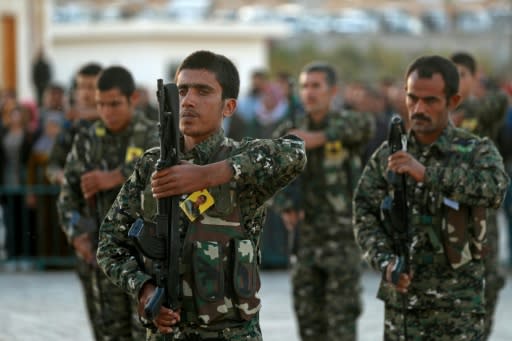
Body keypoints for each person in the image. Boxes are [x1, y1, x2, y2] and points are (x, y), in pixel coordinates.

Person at [96, 50, 306, 341]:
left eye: (203, 91)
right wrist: (144, 289)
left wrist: (209, 174)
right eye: (182, 91)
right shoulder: (152, 165)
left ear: (229, 106)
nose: (188, 100)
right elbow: (109, 244)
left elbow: (295, 152)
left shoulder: (240, 160)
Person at [353, 55, 510, 340]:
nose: (419, 109)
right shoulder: (388, 155)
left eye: (431, 101)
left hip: (457, 311)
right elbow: (364, 212)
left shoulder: (475, 151)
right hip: (402, 314)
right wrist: (385, 261)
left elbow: (494, 189)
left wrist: (427, 174)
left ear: (453, 101)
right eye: (412, 99)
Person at [274, 61, 374, 340]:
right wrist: (285, 206)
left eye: (316, 86)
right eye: (305, 86)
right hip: (305, 241)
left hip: (341, 242)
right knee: (309, 321)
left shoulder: (346, 123)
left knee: (341, 322)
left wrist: (317, 138)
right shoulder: (289, 130)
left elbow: (364, 126)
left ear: (333, 91)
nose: (309, 92)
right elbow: (268, 179)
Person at [57, 65, 159, 340]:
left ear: (133, 99)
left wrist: (114, 177)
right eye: (101, 105)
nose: (107, 112)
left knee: (147, 333)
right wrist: (77, 235)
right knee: (107, 333)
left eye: (114, 104)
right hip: (102, 259)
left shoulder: (153, 135)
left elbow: (159, 170)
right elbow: (68, 196)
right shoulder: (88, 141)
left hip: (145, 261)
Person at [449, 51, 509, 339]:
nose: (457, 81)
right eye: (452, 75)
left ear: (475, 78)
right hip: (446, 214)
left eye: (463, 75)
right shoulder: (435, 114)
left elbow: (500, 101)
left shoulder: (481, 110)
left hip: (481, 214)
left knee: (489, 279)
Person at [46, 62, 103, 186]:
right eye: (81, 87)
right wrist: (61, 176)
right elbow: (52, 166)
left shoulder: (115, 122)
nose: (85, 93)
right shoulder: (71, 126)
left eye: (91, 87)